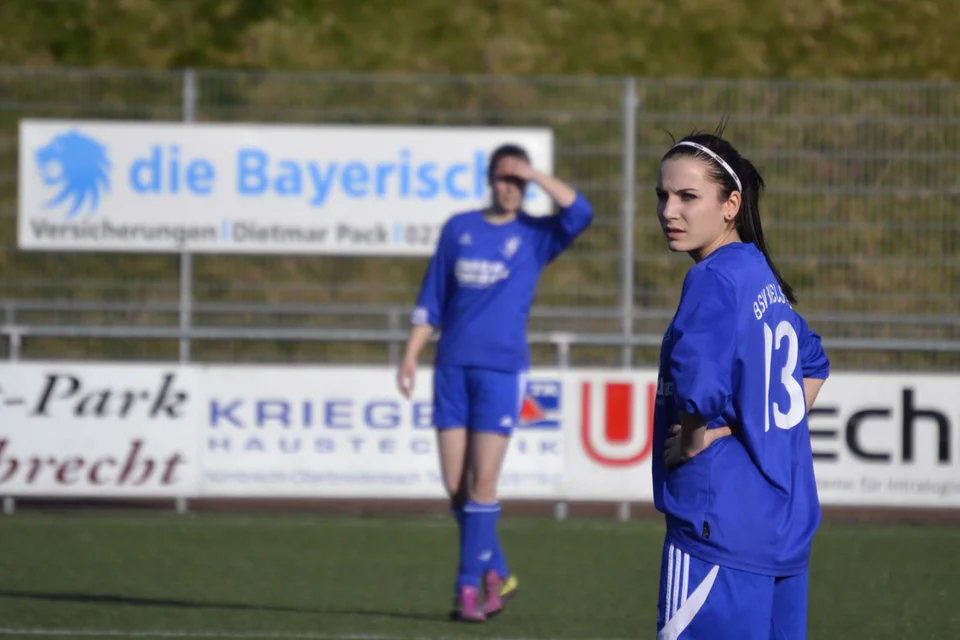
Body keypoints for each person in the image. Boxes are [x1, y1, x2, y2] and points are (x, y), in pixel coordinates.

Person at [396, 143, 593, 622]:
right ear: (490, 180)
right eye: (505, 179)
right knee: (455, 485)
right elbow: (433, 298)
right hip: (452, 369)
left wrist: (534, 172)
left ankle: (468, 590)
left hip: (502, 371)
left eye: (520, 182)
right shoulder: (459, 228)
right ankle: (498, 570)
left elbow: (581, 211)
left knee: (484, 481)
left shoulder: (536, 234)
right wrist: (410, 355)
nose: (512, 189)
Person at [650, 126, 830, 639]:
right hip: (784, 527)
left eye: (688, 196)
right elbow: (814, 366)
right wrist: (756, 423)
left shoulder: (712, 278)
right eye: (662, 195)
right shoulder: (757, 272)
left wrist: (691, 441)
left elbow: (697, 388)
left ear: (731, 205)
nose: (669, 210)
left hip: (720, 526)